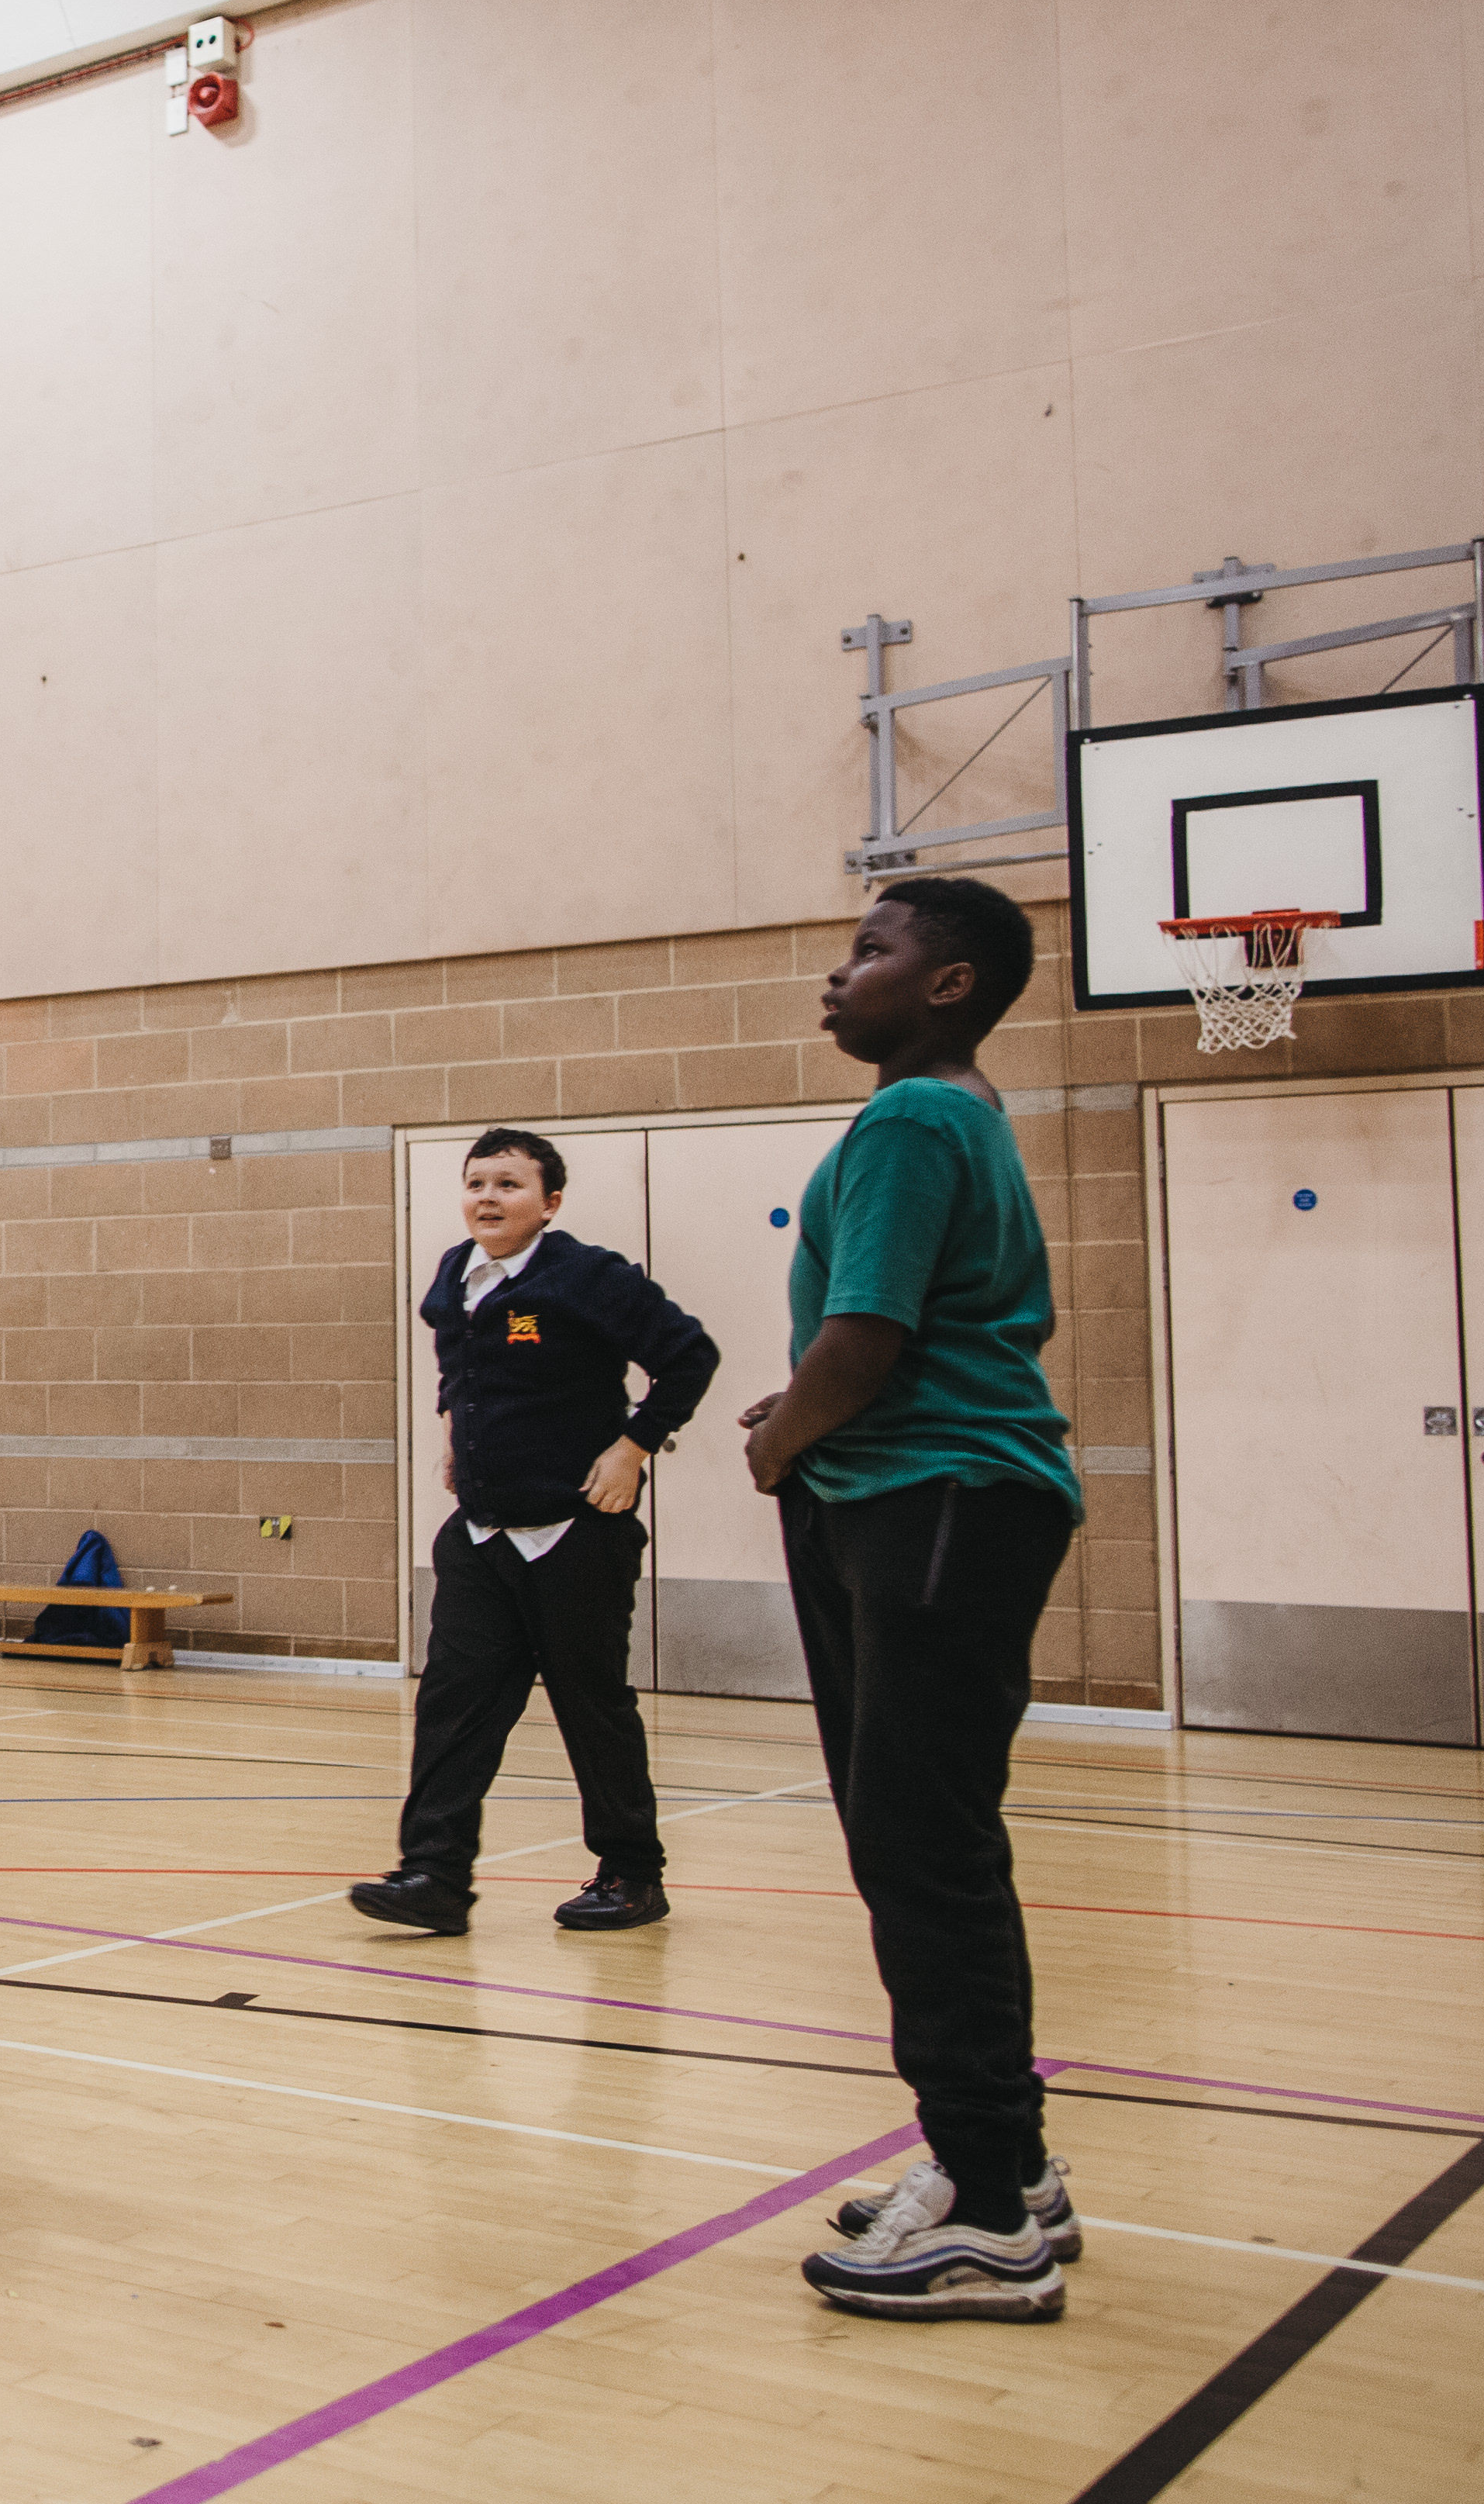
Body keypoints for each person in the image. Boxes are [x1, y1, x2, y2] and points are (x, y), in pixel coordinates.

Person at [744, 874, 1085, 2323]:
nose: (840, 973)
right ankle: (1000, 2154)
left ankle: (990, 2212)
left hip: (928, 1497)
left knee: (918, 1846)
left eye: (871, 951)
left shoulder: (911, 1117)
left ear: (949, 983)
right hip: (935, 1491)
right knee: (935, 1838)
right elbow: (883, 1329)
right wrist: (812, 1403)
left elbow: (869, 1335)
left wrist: (778, 1436)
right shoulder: (966, 1114)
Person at [351, 1128, 716, 1938]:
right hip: (482, 1537)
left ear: (548, 1202)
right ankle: (433, 1875)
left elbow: (688, 1355)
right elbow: (455, 1355)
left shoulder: (587, 1276)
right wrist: (453, 1425)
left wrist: (631, 1447)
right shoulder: (455, 1273)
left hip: (575, 1536)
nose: (487, 1197)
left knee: (592, 1705)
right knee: (453, 1706)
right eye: (475, 1182)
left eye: (508, 1185)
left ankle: (630, 1874)